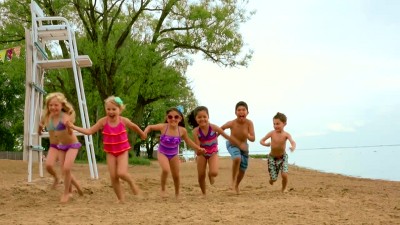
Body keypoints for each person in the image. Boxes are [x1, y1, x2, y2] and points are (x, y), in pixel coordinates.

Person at [68, 96, 146, 203]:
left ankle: (131, 183)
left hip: (122, 151)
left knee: (121, 173)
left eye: (114, 109)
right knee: (113, 176)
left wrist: (142, 134)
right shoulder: (103, 122)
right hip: (110, 152)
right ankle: (121, 199)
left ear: (120, 109)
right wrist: (74, 127)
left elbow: (134, 127)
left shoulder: (123, 121)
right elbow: (89, 131)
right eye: (108, 109)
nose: (111, 111)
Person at [144, 107, 205, 198]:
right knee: (165, 170)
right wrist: (145, 133)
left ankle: (177, 193)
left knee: (176, 175)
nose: (173, 119)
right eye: (170, 117)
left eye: (176, 117)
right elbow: (150, 127)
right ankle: (163, 189)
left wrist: (198, 148)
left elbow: (188, 141)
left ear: (180, 119)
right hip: (162, 153)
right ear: (167, 118)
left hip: (174, 155)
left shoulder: (182, 130)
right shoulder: (163, 127)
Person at [187, 106, 247, 196]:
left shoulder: (213, 127)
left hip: (213, 152)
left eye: (204, 117)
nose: (202, 119)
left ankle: (210, 175)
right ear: (196, 119)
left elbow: (226, 136)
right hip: (202, 154)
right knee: (201, 175)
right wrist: (199, 151)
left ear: (208, 117)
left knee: (214, 173)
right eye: (199, 117)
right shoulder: (195, 131)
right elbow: (197, 145)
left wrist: (238, 144)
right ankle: (204, 193)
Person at [38, 92, 83, 203]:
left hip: (71, 145)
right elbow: (41, 126)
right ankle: (72, 186)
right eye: (50, 105)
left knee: (66, 169)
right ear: (48, 106)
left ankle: (68, 192)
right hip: (57, 145)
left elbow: (70, 131)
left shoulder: (65, 117)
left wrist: (68, 127)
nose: (53, 107)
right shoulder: (47, 117)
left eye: (56, 105)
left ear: (62, 105)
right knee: (52, 166)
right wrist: (39, 130)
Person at [221, 101, 255, 194]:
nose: (241, 112)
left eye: (243, 110)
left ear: (247, 112)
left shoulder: (249, 123)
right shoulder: (232, 123)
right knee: (237, 158)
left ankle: (236, 185)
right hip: (233, 145)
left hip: (244, 147)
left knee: (243, 169)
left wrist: (247, 135)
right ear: (235, 112)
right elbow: (221, 128)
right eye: (239, 110)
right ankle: (232, 182)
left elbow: (253, 138)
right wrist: (213, 139)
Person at [259, 112, 296, 193]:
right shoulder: (272, 133)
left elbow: (293, 142)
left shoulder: (286, 135)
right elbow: (261, 141)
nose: (275, 126)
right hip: (272, 158)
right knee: (274, 178)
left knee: (284, 175)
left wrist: (293, 147)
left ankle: (284, 188)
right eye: (274, 124)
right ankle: (272, 180)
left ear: (284, 124)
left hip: (283, 157)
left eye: (278, 124)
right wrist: (266, 144)